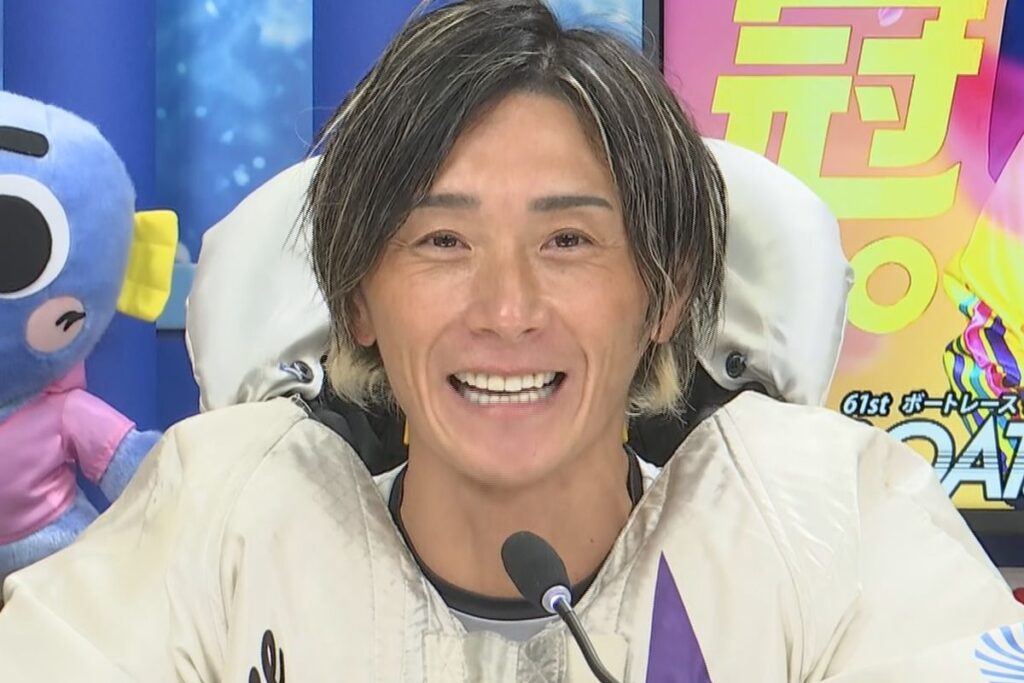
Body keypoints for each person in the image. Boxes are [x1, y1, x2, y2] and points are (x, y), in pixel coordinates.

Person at [1, 1, 1022, 680]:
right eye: (441, 242)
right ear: (358, 301)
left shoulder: (824, 517)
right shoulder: (223, 515)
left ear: (665, 294)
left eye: (568, 240)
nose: (506, 308)